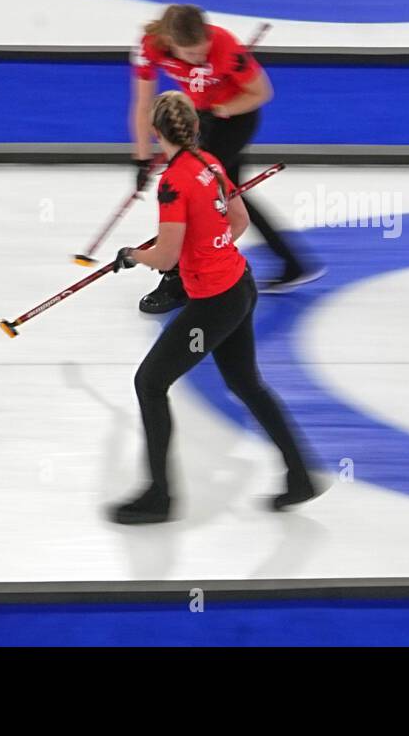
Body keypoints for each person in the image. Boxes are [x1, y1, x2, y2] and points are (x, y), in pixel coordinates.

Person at [108, 90, 320, 524]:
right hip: (239, 284)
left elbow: (165, 257)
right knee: (246, 384)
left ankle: (159, 496)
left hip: (214, 304)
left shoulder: (173, 182)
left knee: (150, 383)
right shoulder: (209, 163)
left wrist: (132, 255)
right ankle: (299, 475)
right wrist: (209, 247)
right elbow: (238, 221)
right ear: (194, 127)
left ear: (156, 131)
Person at [130, 4, 321, 313]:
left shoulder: (225, 47)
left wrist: (221, 110)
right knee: (228, 193)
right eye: (190, 55)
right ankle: (291, 261)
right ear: (170, 42)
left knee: (200, 192)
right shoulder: (151, 46)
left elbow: (261, 93)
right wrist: (140, 158)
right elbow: (142, 104)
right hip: (202, 118)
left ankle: (179, 279)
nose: (199, 59)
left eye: (202, 52)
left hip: (235, 119)